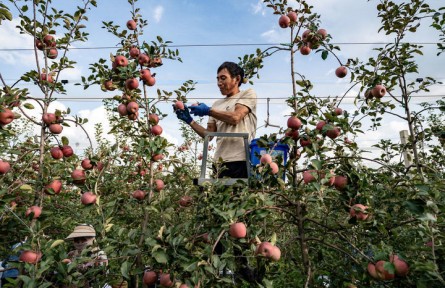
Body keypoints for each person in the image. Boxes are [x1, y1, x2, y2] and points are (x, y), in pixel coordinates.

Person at [175, 61, 257, 178]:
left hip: (241, 159)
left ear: (237, 79)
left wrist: (209, 111)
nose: (219, 83)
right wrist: (189, 121)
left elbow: (235, 117)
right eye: (218, 79)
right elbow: (209, 134)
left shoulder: (248, 94)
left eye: (223, 78)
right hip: (219, 162)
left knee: (239, 195)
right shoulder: (216, 105)